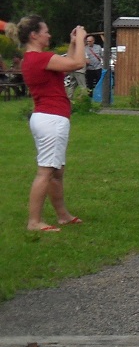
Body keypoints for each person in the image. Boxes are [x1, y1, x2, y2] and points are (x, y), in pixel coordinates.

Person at [18, 15, 86, 232]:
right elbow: (78, 64)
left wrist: (74, 43)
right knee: (46, 172)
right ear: (34, 35)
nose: (49, 34)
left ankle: (63, 215)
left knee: (56, 172)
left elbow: (67, 66)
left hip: (45, 118)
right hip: (52, 119)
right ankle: (34, 222)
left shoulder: (34, 59)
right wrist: (83, 39)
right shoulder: (40, 59)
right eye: (45, 31)